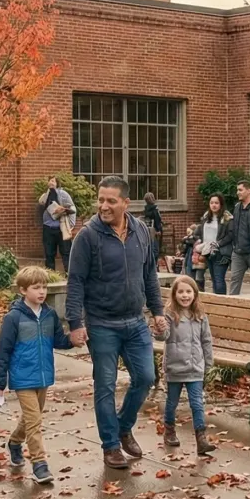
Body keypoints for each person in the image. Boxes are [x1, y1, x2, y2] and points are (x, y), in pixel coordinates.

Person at [65, 175, 168, 469]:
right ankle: (110, 446)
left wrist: (157, 310)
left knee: (146, 378)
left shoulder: (141, 232)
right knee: (106, 386)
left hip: (135, 321)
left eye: (111, 201)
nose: (104, 206)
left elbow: (149, 274)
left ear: (126, 203)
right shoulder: (88, 236)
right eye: (101, 200)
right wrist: (75, 322)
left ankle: (123, 427)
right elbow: (75, 282)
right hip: (102, 323)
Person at [0, 266, 73, 485]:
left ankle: (14, 442)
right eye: (36, 288)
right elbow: (3, 350)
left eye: (44, 287)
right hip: (22, 377)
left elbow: (59, 341)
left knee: (31, 418)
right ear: (22, 290)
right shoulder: (14, 318)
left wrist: (73, 340)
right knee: (35, 421)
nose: (42, 292)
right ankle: (40, 464)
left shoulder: (49, 314)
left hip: (44, 375)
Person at [157, 274, 216, 455]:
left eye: (188, 291)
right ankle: (170, 431)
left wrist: (208, 363)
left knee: (197, 403)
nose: (185, 295)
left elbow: (206, 340)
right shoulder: (169, 315)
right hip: (175, 366)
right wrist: (159, 328)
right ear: (174, 295)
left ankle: (201, 438)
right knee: (172, 402)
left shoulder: (200, 316)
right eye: (181, 292)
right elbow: (163, 337)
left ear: (195, 294)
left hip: (195, 367)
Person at [187, 194, 233, 294]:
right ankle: (217, 299)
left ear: (221, 204)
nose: (214, 205)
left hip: (221, 253)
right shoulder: (206, 216)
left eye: (216, 203)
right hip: (207, 251)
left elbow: (230, 236)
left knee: (219, 278)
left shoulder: (227, 217)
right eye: (212, 203)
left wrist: (218, 244)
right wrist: (198, 241)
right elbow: (198, 233)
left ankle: (221, 302)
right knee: (213, 278)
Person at [38, 176, 76, 272]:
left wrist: (71, 225)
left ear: (57, 183)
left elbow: (72, 208)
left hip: (61, 228)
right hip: (48, 228)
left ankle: (69, 274)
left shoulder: (63, 194)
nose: (51, 182)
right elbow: (41, 204)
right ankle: (51, 274)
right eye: (49, 181)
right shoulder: (45, 195)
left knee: (66, 252)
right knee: (49, 253)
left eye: (53, 181)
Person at [142, 192, 164, 257]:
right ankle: (154, 264)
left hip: (147, 230)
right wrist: (158, 230)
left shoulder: (146, 209)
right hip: (155, 230)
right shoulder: (155, 209)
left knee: (149, 248)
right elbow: (157, 220)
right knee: (155, 249)